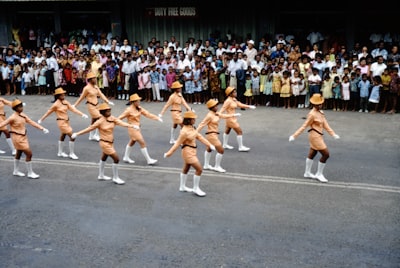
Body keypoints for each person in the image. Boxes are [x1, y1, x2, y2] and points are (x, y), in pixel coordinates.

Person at [71, 103, 139, 185]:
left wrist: (132, 126)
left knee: (104, 157)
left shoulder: (112, 118)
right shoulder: (99, 121)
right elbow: (89, 129)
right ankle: (115, 177)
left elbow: (121, 123)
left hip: (110, 142)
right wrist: (77, 134)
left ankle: (101, 175)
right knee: (116, 159)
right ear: (103, 112)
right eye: (107, 111)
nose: (109, 112)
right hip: (104, 143)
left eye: (109, 110)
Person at [289, 93, 340, 183]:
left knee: (312, 153)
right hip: (315, 136)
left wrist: (333, 134)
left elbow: (325, 125)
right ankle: (319, 174)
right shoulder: (312, 114)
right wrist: (294, 135)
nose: (320, 105)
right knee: (326, 154)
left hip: (319, 135)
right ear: (314, 104)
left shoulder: (321, 112)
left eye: (320, 103)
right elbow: (304, 126)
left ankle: (307, 172)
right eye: (318, 104)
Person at [163, 111, 215, 197]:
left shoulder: (192, 128)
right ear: (189, 120)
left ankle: (182, 186)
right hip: (187, 152)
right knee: (199, 169)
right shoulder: (184, 131)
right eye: (193, 119)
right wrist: (169, 153)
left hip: (192, 151)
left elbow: (199, 137)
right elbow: (177, 143)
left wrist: (209, 144)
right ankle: (195, 188)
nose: (195, 120)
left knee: (186, 168)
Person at [0, 99, 49, 179]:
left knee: (18, 153)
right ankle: (30, 173)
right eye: (19, 107)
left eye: (21, 106)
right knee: (29, 154)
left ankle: (15, 171)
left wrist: (42, 128)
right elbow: (2, 124)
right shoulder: (12, 117)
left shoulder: (23, 115)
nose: (21, 108)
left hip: (23, 137)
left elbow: (31, 122)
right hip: (17, 138)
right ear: (15, 108)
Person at [38, 87, 89, 160]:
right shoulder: (56, 104)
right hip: (61, 122)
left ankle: (60, 152)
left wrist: (82, 114)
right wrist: (41, 119)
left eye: (64, 94)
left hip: (67, 121)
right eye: (62, 95)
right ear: (58, 96)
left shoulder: (66, 102)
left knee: (63, 135)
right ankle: (71, 153)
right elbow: (48, 112)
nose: (64, 96)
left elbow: (73, 109)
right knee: (72, 136)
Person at [197, 99, 241, 173]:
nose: (217, 107)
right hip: (211, 135)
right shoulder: (209, 115)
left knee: (209, 149)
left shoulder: (216, 113)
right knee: (221, 150)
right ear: (211, 107)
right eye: (215, 106)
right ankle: (217, 166)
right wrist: (194, 133)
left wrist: (234, 115)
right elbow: (202, 124)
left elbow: (224, 116)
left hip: (214, 134)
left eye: (217, 105)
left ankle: (206, 165)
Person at [118, 93, 163, 165]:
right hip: (132, 128)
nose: (139, 102)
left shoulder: (139, 108)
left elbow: (147, 114)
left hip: (137, 128)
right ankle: (148, 159)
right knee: (142, 142)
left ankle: (126, 157)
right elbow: (119, 119)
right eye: (137, 101)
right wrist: (128, 125)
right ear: (133, 102)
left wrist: (157, 118)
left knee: (132, 141)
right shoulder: (128, 110)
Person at [73, 71, 114, 141]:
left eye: (95, 78)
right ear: (89, 80)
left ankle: (91, 136)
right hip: (91, 106)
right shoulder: (86, 88)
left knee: (94, 121)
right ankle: (96, 135)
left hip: (97, 105)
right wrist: (75, 105)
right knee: (101, 118)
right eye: (93, 78)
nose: (95, 80)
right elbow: (81, 98)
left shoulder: (96, 87)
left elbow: (101, 94)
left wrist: (107, 101)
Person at [218, 86, 256, 151]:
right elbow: (221, 112)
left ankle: (224, 144)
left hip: (231, 119)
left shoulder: (234, 99)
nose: (236, 93)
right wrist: (233, 114)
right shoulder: (228, 101)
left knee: (227, 131)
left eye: (235, 92)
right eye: (234, 92)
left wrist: (249, 106)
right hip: (231, 119)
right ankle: (240, 147)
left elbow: (240, 104)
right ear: (230, 94)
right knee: (239, 131)